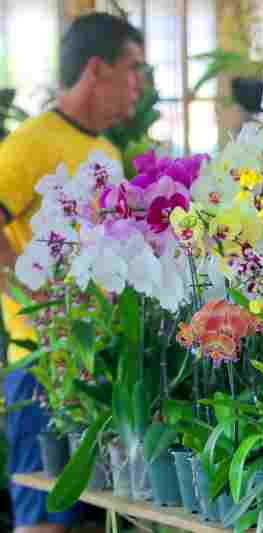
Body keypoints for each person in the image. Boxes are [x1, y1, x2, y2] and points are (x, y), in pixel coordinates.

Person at [0, 13, 145, 533]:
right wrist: (38, 296)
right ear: (96, 68)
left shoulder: (105, 152)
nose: (139, 85)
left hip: (99, 367)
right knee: (43, 520)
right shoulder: (29, 144)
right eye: (133, 69)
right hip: (43, 372)